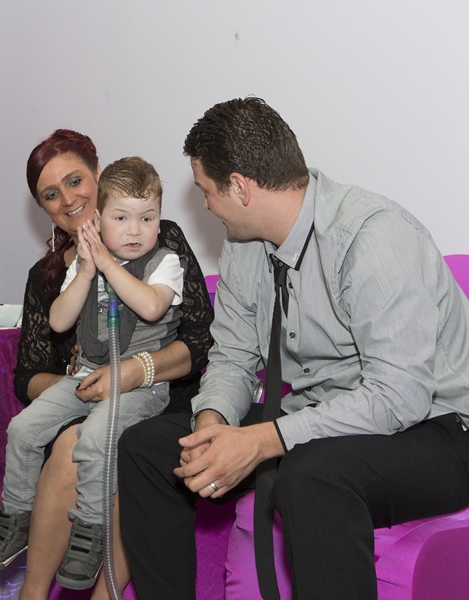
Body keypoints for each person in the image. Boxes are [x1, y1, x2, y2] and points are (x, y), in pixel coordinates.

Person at [117, 96, 469, 599]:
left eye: (206, 191)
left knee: (311, 477)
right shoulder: (244, 246)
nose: (205, 206)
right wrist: (211, 425)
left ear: (240, 186)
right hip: (323, 416)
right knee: (147, 447)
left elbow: (400, 397)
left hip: (439, 428)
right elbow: (234, 356)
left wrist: (264, 440)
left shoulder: (373, 238)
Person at [6, 130, 213, 600]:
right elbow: (27, 376)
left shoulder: (157, 240)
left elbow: (200, 340)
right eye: (51, 194)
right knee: (71, 441)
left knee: (107, 444)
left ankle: (103, 592)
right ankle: (33, 592)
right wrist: (80, 388)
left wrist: (137, 370)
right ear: (42, 208)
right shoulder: (47, 277)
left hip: (162, 394)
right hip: (83, 396)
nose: (68, 199)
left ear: (98, 175)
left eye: (75, 180)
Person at [0, 156, 184, 589]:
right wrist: (87, 271)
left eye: (147, 219)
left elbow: (151, 306)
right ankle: (16, 517)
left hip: (141, 385)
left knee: (93, 437)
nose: (134, 230)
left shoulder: (164, 262)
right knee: (23, 429)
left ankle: (89, 529)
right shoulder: (84, 264)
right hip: (85, 375)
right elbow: (58, 322)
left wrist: (108, 265)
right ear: (99, 220)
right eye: (121, 219)